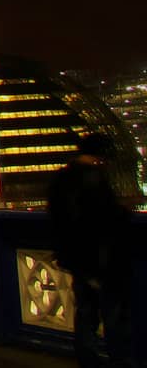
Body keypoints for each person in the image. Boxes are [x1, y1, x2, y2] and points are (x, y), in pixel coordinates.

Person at [48, 133, 136, 367]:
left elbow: (57, 218)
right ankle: (120, 358)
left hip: (76, 257)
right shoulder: (94, 178)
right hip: (101, 257)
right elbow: (107, 216)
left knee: (86, 312)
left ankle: (88, 359)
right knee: (113, 313)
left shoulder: (61, 178)